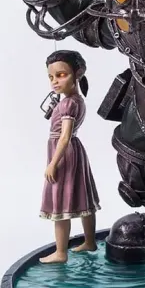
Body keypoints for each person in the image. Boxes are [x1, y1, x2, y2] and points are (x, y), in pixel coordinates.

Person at [37, 50, 100, 263]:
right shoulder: (75, 100)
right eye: (51, 77)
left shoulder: (68, 104)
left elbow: (64, 137)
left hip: (63, 153)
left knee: (60, 201)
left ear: (77, 74)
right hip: (74, 151)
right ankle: (90, 241)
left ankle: (61, 252)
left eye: (61, 75)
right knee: (81, 196)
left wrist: (53, 163)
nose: (55, 81)